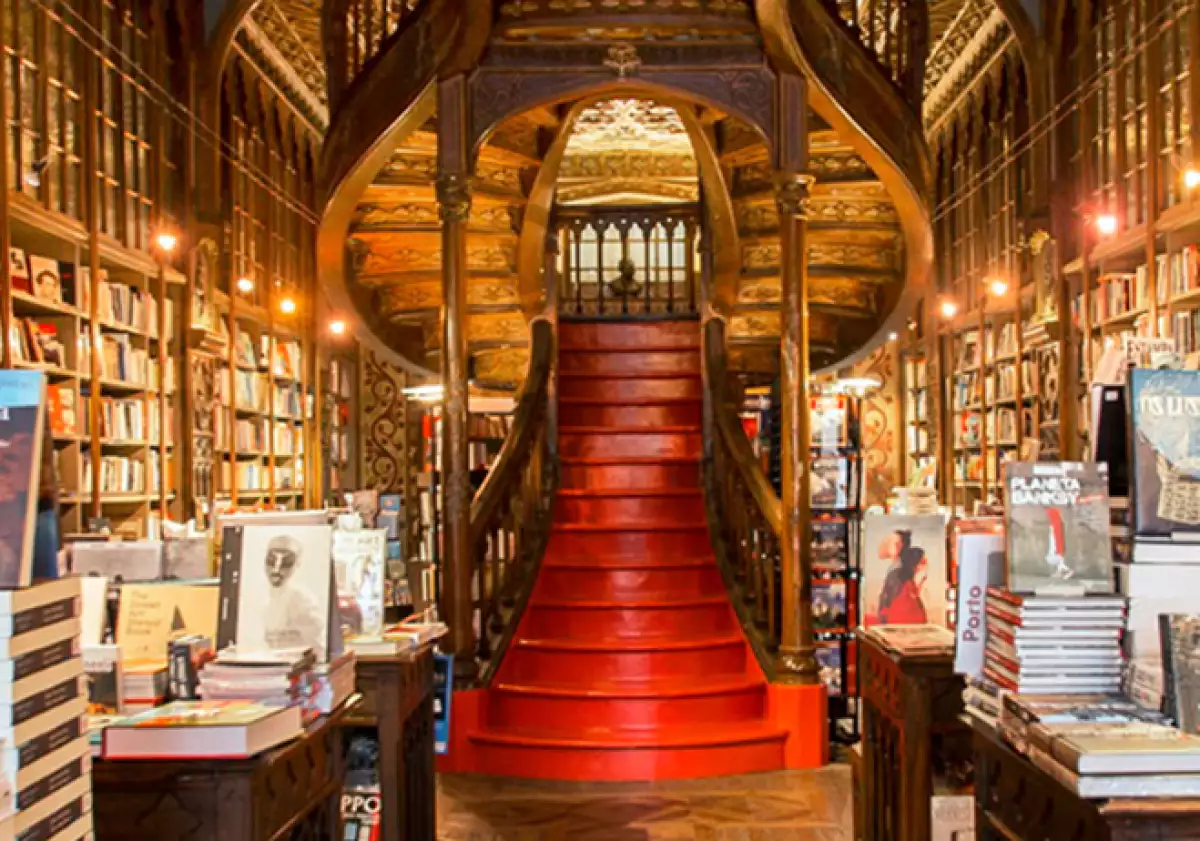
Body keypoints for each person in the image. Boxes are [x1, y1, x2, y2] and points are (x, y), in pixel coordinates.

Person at [263, 534, 326, 659]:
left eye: (286, 563)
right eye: (271, 561)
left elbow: (316, 649)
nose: (276, 570)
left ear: (297, 564)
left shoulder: (303, 600)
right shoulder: (260, 597)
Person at [877, 546, 930, 624]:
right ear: (915, 564)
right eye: (923, 561)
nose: (926, 564)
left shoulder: (906, 582)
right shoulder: (905, 586)